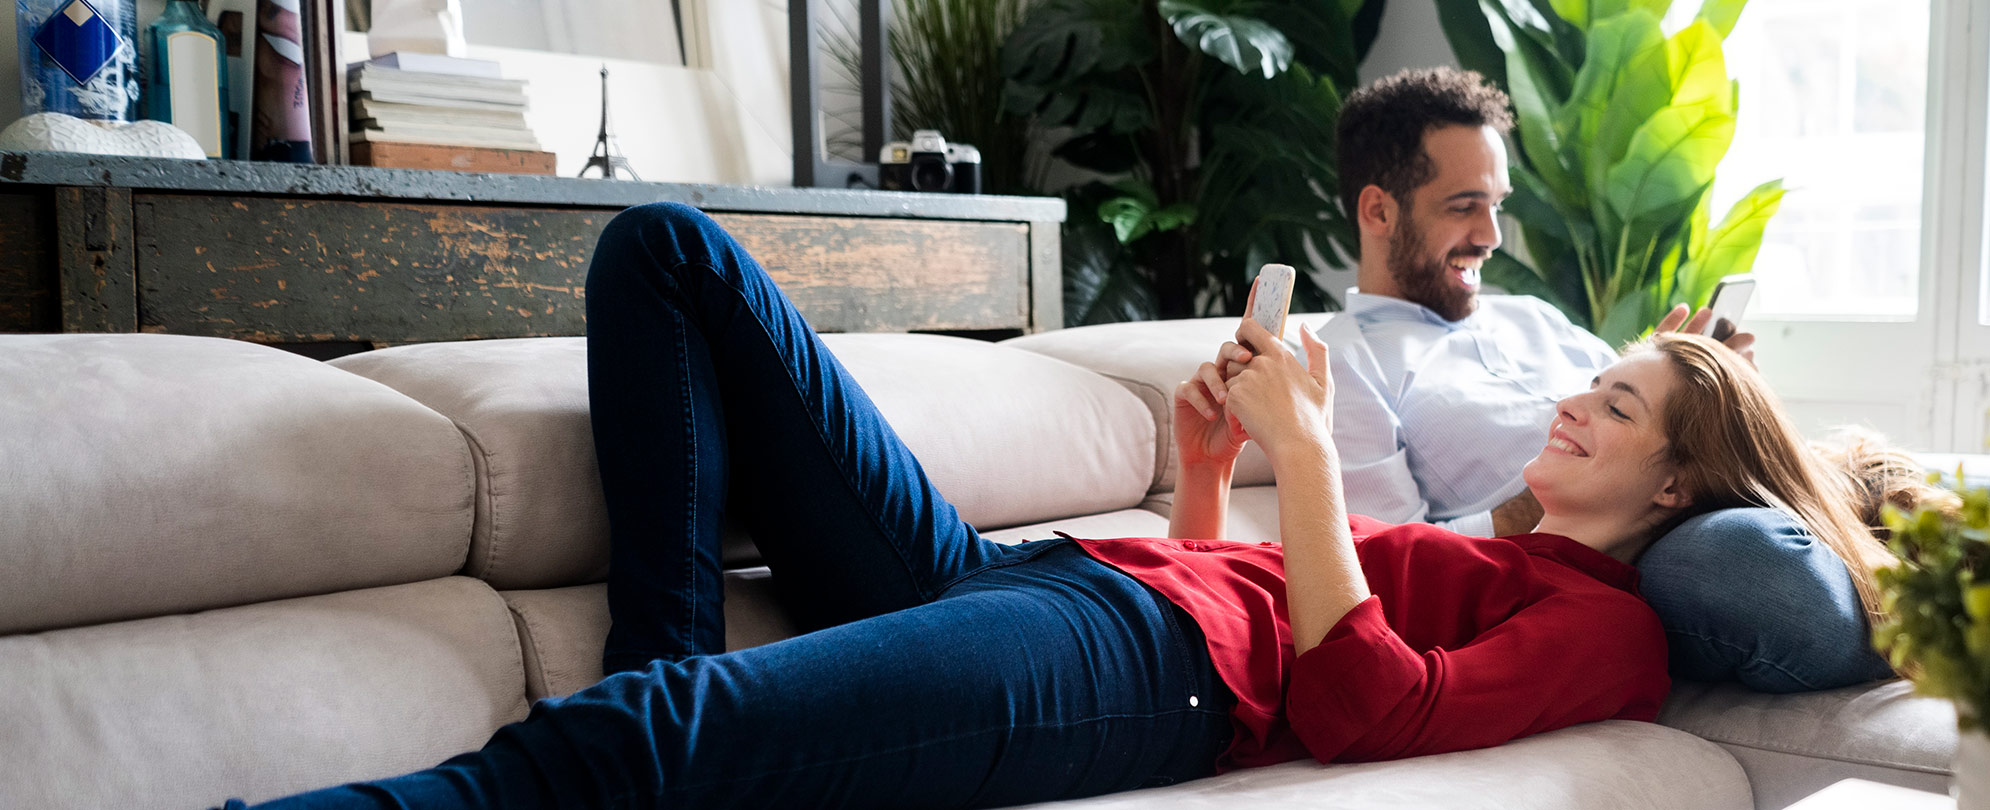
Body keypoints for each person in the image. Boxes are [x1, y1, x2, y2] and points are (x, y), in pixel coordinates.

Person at [214, 202, 1946, 809]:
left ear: (1679, 481)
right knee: (667, 257)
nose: (1577, 398)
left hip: (1129, 670)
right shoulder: (1499, 551)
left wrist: (1314, 469)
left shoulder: (1613, 629)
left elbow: (1353, 709)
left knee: (624, 747)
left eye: (1617, 405)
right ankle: (671, 725)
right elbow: (1251, 596)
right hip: (1051, 583)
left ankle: (651, 746)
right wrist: (1209, 474)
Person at [1319, 65, 1902, 692]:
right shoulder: (1342, 363)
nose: (1490, 237)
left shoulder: (1535, 318)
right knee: (1746, 563)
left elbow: (1648, 425)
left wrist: (1701, 397)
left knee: (1934, 488)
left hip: (1701, 492)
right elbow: (1384, 563)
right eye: (1464, 208)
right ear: (1378, 210)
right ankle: (1928, 627)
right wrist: (1565, 492)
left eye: (1497, 206)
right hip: (1618, 559)